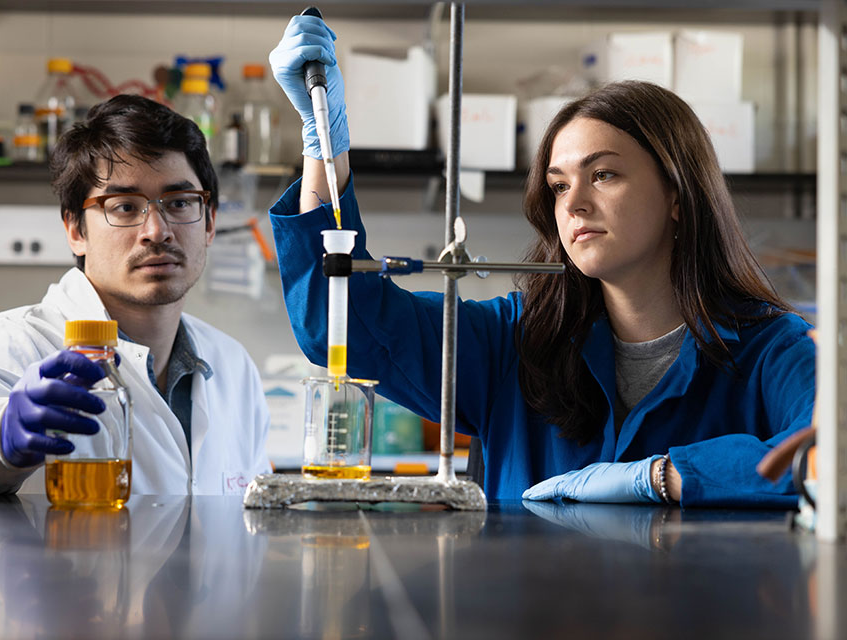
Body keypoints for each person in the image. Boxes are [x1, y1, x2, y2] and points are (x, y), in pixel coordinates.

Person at [265, 15, 815, 507]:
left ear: (678, 195)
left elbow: (827, 455)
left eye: (603, 174)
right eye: (557, 185)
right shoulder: (515, 343)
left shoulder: (771, 349)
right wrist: (324, 148)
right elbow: (342, 326)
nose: (572, 204)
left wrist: (660, 477)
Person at [0, 94, 270, 496]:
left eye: (179, 203)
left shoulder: (233, 365)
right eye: (125, 207)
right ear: (75, 231)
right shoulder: (15, 342)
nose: (157, 231)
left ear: (210, 223)